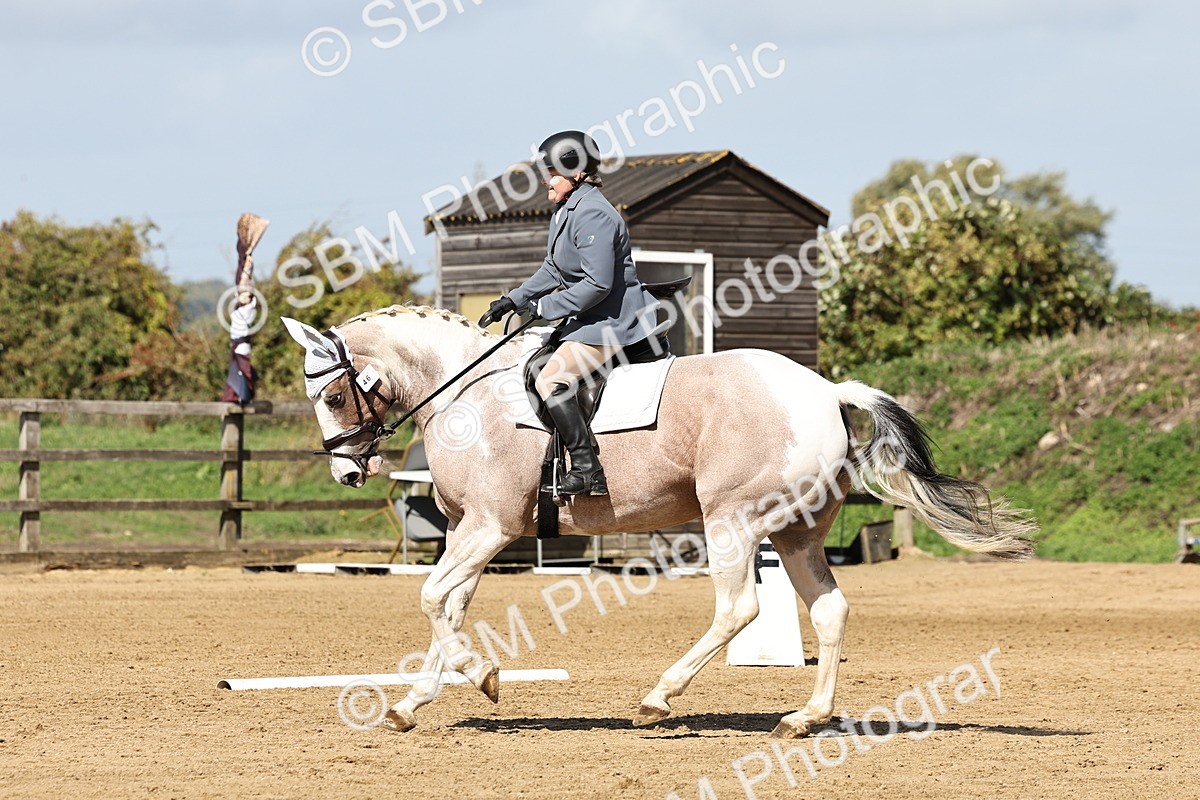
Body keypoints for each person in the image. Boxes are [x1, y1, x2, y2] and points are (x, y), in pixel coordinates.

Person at [478, 130, 660, 496]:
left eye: (552, 172)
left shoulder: (594, 214)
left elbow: (597, 285)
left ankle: (587, 468)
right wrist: (513, 300)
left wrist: (543, 307)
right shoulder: (567, 210)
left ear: (576, 173)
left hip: (615, 322)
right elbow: (553, 270)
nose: (545, 179)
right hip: (591, 319)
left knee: (551, 380)